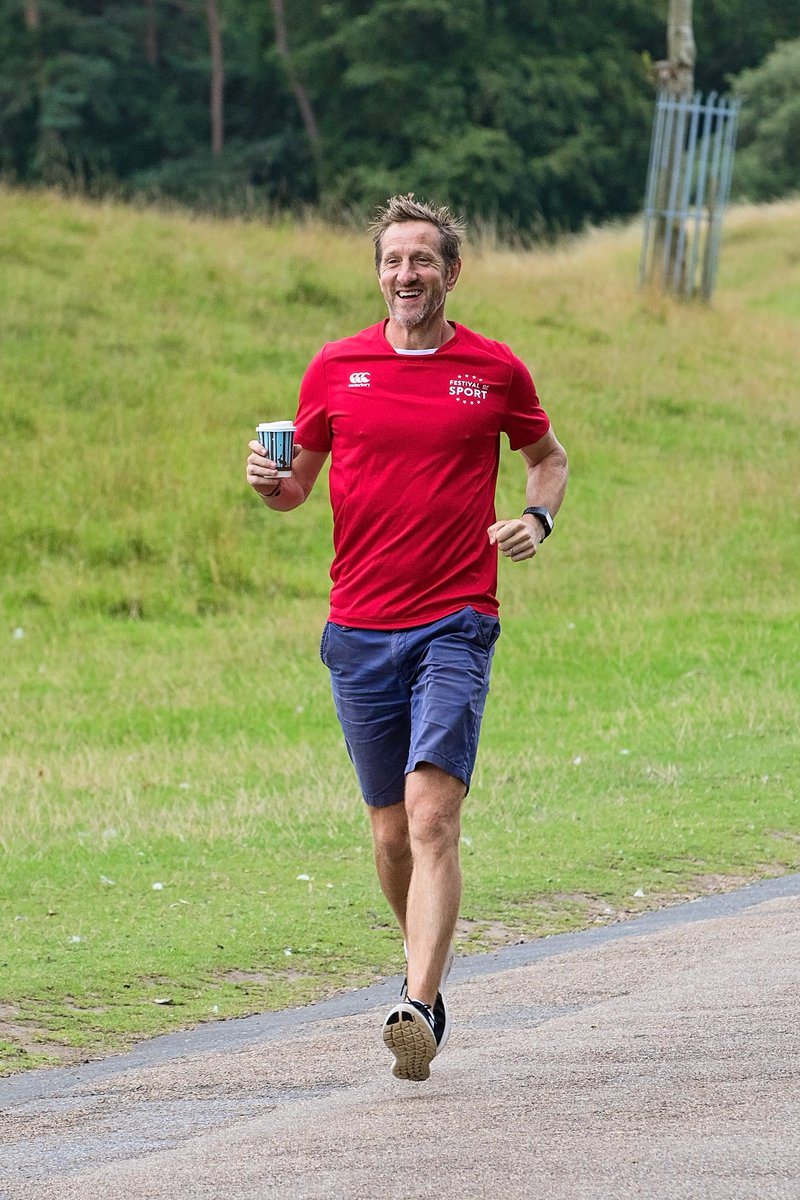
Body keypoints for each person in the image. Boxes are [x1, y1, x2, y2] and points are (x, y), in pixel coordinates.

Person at [246, 194, 568, 1082]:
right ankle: (423, 969)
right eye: (393, 260)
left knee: (433, 815)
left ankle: (418, 1003)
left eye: (423, 260)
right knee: (391, 835)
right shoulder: (335, 367)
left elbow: (549, 457)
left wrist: (538, 518)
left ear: (450, 273)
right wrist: (266, 480)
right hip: (358, 626)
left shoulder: (493, 369)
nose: (406, 275)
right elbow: (294, 489)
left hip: (457, 618)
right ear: (379, 272)